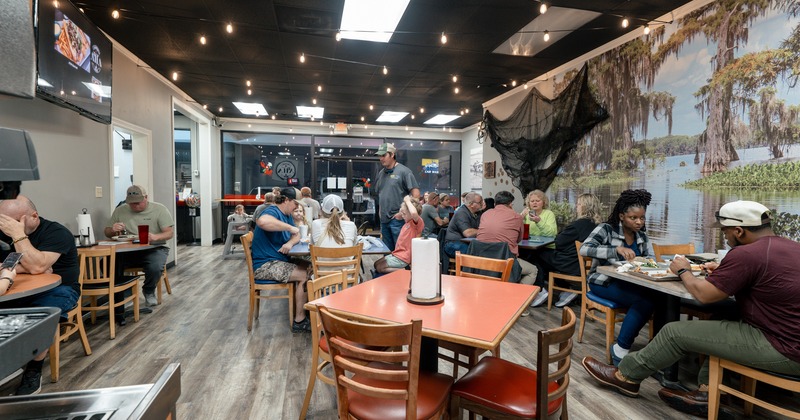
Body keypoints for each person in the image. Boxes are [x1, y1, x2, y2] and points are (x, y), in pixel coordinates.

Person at [582, 200, 800, 419]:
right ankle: (710, 391)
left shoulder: (747, 254)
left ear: (739, 231)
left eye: (725, 231)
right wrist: (725, 269)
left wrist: (683, 270)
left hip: (784, 348)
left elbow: (704, 295)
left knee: (674, 333)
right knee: (719, 319)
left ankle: (626, 377)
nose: (725, 237)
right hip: (788, 339)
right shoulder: (791, 247)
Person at [0, 196, 80, 395]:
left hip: (59, 290)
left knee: (44, 311)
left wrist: (18, 236)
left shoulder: (56, 232)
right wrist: (25, 268)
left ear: (33, 216)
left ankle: (33, 370)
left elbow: (37, 266)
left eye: (12, 223)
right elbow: (35, 268)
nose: (6, 229)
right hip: (15, 290)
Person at [579, 189, 662, 365]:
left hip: (630, 283)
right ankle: (620, 349)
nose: (639, 222)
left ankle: (658, 350)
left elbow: (649, 260)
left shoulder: (642, 236)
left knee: (661, 298)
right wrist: (615, 249)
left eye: (642, 218)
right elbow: (584, 249)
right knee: (644, 302)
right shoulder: (606, 229)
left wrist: (649, 263)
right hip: (603, 282)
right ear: (622, 216)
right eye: (634, 218)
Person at [252, 187, 311, 333]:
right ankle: (299, 320)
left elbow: (296, 235)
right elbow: (262, 222)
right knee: (304, 275)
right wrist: (289, 228)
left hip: (280, 260)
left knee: (311, 266)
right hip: (266, 265)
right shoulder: (273, 211)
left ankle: (305, 307)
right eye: (295, 203)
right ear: (286, 200)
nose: (297, 207)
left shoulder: (287, 215)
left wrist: (290, 242)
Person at [104, 185, 173, 308]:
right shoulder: (120, 210)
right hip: (129, 249)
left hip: (155, 248)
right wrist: (113, 230)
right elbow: (107, 232)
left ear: (146, 198)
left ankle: (148, 290)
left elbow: (169, 233)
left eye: (138, 203)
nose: (135, 206)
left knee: (155, 266)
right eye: (131, 203)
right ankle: (124, 292)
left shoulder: (159, 209)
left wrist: (155, 237)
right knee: (107, 262)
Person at [536, 193, 603, 307]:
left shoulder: (577, 225)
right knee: (545, 257)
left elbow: (559, 243)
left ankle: (540, 291)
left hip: (571, 263)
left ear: (585, 207)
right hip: (589, 265)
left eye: (578, 204)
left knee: (536, 254)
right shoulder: (599, 225)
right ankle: (566, 290)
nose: (576, 206)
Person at [476, 191, 537, 287]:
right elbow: (518, 239)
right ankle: (515, 295)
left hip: (480, 261)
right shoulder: (516, 217)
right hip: (504, 261)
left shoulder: (485, 214)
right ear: (510, 204)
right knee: (533, 270)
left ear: (495, 203)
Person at [374, 143, 419, 251]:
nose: (381, 158)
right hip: (384, 221)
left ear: (392, 155)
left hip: (398, 220)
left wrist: (402, 214)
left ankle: (402, 269)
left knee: (401, 252)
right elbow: (381, 194)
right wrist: (380, 212)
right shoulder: (381, 173)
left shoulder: (404, 172)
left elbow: (416, 195)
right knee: (387, 253)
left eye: (384, 155)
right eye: (379, 156)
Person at [373, 196, 423, 274]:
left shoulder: (416, 223)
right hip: (397, 254)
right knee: (376, 264)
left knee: (380, 268)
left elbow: (413, 213)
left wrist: (407, 200)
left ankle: (405, 271)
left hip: (404, 257)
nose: (402, 215)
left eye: (404, 214)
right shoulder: (407, 223)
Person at [444, 192, 484, 257]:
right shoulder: (461, 213)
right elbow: (467, 233)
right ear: (471, 204)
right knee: (472, 253)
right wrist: (484, 230)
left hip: (467, 242)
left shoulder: (477, 213)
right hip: (452, 243)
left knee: (484, 250)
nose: (482, 204)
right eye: (480, 202)